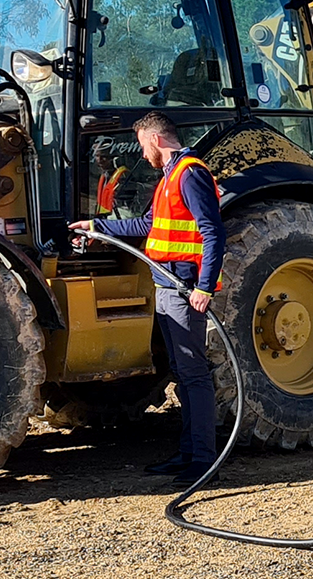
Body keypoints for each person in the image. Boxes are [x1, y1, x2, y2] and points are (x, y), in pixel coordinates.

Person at [72, 112, 224, 486]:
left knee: (193, 374)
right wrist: (97, 227)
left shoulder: (189, 173)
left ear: (155, 139)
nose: (142, 154)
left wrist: (204, 287)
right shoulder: (170, 176)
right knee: (182, 373)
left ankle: (203, 460)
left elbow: (213, 232)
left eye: (142, 145)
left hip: (183, 288)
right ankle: (189, 453)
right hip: (166, 285)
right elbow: (148, 226)